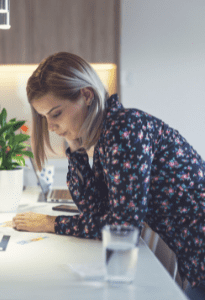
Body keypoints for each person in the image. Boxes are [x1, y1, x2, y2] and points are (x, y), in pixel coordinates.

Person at [11, 52, 205, 299]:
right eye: (44, 117)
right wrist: (74, 145)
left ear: (86, 95)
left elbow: (123, 228)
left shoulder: (124, 130)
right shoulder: (109, 133)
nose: (50, 127)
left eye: (56, 113)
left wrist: (51, 224)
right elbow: (94, 209)